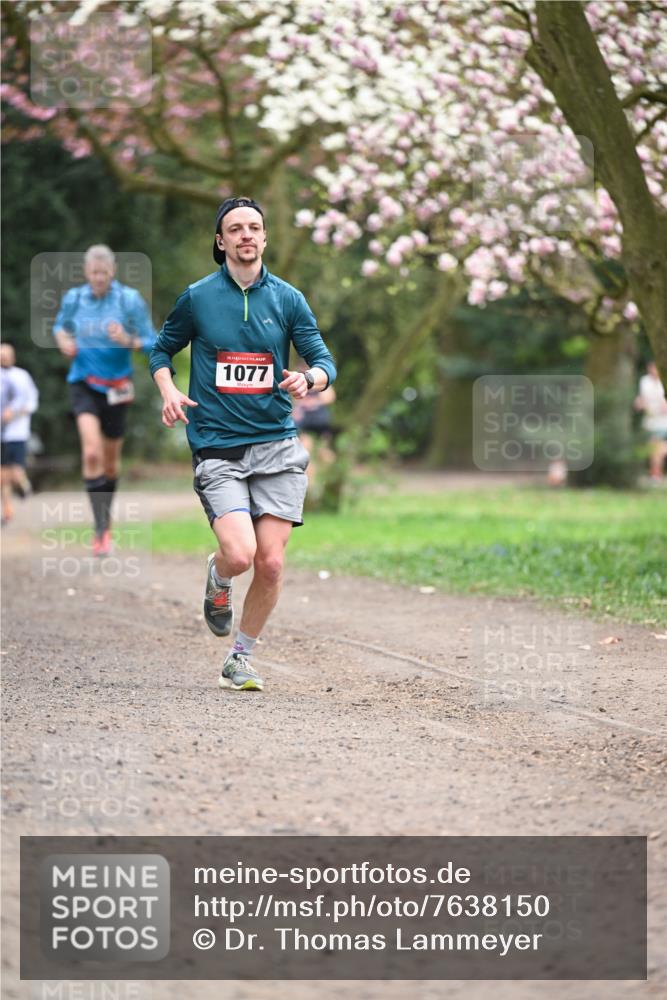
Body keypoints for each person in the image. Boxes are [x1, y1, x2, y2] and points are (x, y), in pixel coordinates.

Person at [150, 196, 336, 693]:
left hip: (277, 445)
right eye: (235, 229)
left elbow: (324, 361)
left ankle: (239, 658)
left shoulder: (289, 299)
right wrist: (169, 390)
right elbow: (160, 350)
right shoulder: (198, 297)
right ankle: (219, 575)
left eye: (254, 227)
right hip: (219, 446)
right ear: (221, 240)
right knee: (240, 554)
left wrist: (309, 379)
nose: (246, 235)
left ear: (265, 237)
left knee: (270, 563)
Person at [53, 245, 156, 555]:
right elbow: (59, 327)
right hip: (83, 382)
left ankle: (105, 522)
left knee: (110, 463)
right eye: (94, 273)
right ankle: (100, 530)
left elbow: (153, 342)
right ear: (87, 272)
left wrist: (127, 340)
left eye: (104, 273)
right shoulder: (74, 298)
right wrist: (64, 341)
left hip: (118, 387)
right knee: (91, 453)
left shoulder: (129, 300)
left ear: (113, 272)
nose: (99, 278)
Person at [0, 343, 39, 525]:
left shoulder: (22, 376)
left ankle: (24, 487)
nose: (4, 358)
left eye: (6, 355)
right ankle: (7, 511)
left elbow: (32, 401)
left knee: (15, 472)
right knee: (2, 475)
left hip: (17, 432)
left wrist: (15, 413)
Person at [293, 363, 337, 494]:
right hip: (305, 423)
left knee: (324, 452)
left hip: (320, 422)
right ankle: (310, 486)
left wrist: (314, 402)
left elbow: (330, 397)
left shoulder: (319, 377)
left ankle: (332, 478)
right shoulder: (298, 380)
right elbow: (297, 401)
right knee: (306, 453)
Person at [634, 360, 667, 482]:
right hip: (650, 421)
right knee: (654, 448)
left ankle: (656, 474)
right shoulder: (644, 381)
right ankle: (656, 473)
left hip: (663, 421)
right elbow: (642, 398)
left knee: (657, 448)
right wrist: (639, 402)